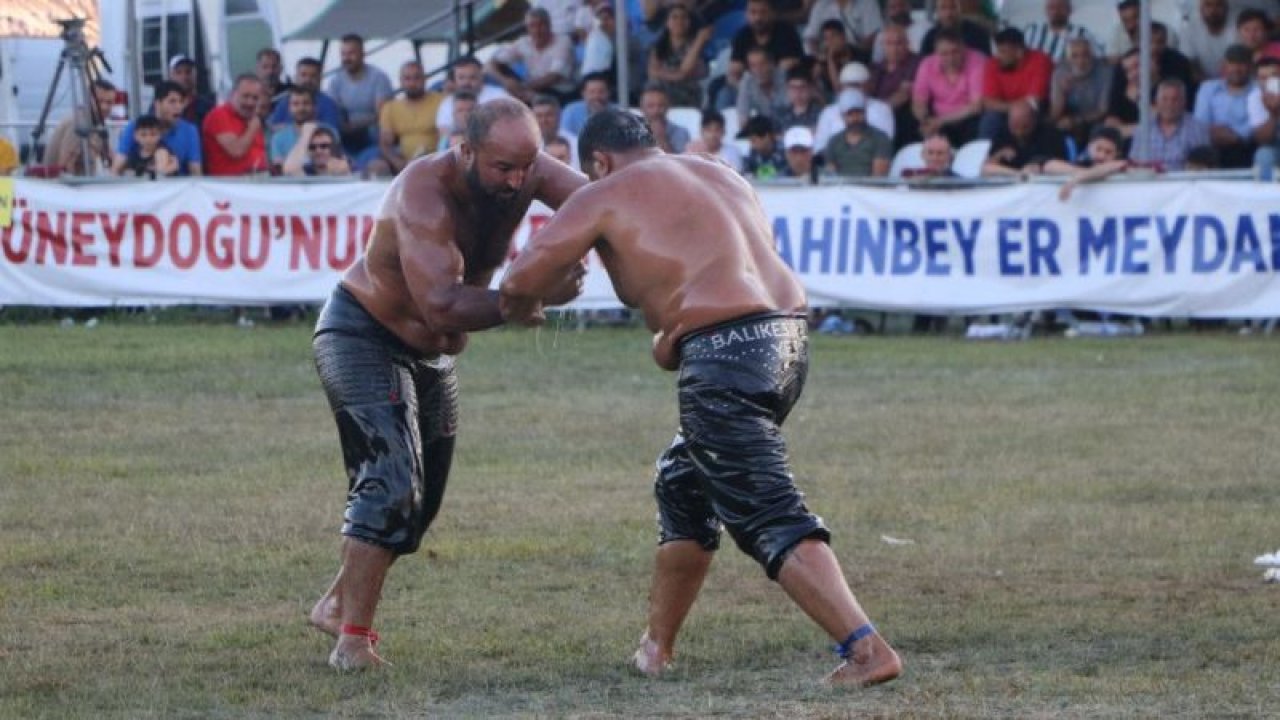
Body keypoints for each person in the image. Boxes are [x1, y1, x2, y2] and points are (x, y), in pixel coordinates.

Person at [498, 108, 904, 688]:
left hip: (725, 355)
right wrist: (677, 339)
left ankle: (866, 649)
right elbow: (718, 272)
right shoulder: (718, 172)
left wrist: (535, 302)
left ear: (600, 163)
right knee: (683, 482)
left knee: (764, 508)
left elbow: (519, 281)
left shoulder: (603, 193)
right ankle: (656, 649)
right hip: (787, 341)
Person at [308, 98, 586, 671]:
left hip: (433, 357)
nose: (516, 181)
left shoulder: (526, 168)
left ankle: (337, 601)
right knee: (389, 486)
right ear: (466, 151)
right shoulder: (423, 192)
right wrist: (527, 296)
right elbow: (439, 304)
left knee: (419, 506)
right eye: (502, 168)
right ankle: (353, 641)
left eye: (525, 168)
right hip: (364, 335)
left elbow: (602, 201)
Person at [912, 28, 986, 147]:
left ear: (963, 48)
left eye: (955, 52)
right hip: (937, 117)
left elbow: (976, 105)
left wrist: (940, 121)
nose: (950, 58)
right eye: (944, 54)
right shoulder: (927, 64)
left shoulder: (977, 61)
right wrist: (925, 120)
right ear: (936, 52)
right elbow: (919, 101)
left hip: (967, 117)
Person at [329, 34, 395, 168]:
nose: (347, 58)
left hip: (372, 132)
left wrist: (355, 125)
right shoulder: (336, 81)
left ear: (363, 54)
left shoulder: (378, 78)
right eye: (343, 54)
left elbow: (381, 114)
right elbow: (334, 111)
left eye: (351, 53)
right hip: (347, 133)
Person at [485, 8, 577, 104]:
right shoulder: (524, 42)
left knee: (523, 98)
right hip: (531, 88)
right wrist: (505, 81)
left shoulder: (563, 41)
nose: (537, 30)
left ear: (549, 25)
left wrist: (522, 88)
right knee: (499, 69)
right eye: (532, 26)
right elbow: (490, 64)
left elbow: (555, 76)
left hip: (561, 91)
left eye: (541, 25)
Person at [371, 61, 444, 177]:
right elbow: (385, 143)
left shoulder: (441, 101)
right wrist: (399, 163)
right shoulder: (391, 107)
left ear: (425, 79)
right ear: (401, 81)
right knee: (376, 166)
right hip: (403, 161)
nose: (412, 83)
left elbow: (447, 137)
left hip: (435, 159)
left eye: (417, 78)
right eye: (407, 79)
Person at [116, 80, 203, 176]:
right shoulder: (135, 127)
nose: (178, 107)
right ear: (157, 104)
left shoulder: (189, 131)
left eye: (181, 102)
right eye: (172, 101)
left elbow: (195, 172)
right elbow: (116, 168)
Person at [1193, 44, 1258, 168]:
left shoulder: (1257, 89)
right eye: (1232, 63)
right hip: (1211, 145)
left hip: (1246, 145)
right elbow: (1200, 122)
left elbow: (1256, 123)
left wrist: (1236, 137)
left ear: (1250, 66)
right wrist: (1214, 134)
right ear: (1224, 65)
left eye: (1242, 64)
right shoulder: (1208, 88)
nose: (1236, 69)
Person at [1132, 77, 1211, 170]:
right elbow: (1134, 163)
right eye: (1164, 99)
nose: (1169, 104)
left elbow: (1203, 167)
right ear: (1156, 101)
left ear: (1184, 102)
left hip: (1184, 182)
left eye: (1175, 99)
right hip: (1150, 182)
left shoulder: (1197, 128)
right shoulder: (1143, 128)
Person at [44, 78, 118, 176]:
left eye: (109, 102)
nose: (104, 107)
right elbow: (64, 166)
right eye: (99, 101)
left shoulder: (97, 124)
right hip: (64, 187)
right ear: (87, 99)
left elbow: (112, 158)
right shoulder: (78, 124)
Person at [1049, 36, 1112, 149]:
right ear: (1068, 59)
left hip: (1095, 121)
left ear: (1092, 56)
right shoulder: (1060, 73)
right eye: (1075, 56)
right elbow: (1055, 113)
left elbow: (1103, 110)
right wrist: (1063, 93)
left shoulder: (1105, 72)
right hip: (1068, 119)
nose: (1081, 61)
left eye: (1085, 55)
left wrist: (1077, 121)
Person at [202, 74, 268, 176]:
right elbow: (236, 151)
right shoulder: (219, 115)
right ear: (233, 94)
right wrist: (252, 128)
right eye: (245, 96)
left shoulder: (252, 118)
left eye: (255, 98)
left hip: (259, 181)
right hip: (231, 185)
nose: (250, 102)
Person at [823, 89, 893, 177]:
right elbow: (831, 174)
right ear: (842, 116)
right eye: (850, 114)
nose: (855, 118)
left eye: (859, 113)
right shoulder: (834, 141)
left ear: (865, 113)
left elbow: (879, 177)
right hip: (840, 189)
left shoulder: (880, 139)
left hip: (870, 189)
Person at [269, 87, 339, 170]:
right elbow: (280, 169)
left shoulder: (330, 132)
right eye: (295, 104)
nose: (301, 108)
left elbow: (336, 165)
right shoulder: (278, 138)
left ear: (315, 107)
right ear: (289, 109)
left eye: (306, 103)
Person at [270, 57, 344, 131]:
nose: (308, 80)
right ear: (296, 77)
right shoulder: (285, 101)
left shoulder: (329, 104)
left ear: (320, 78)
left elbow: (331, 132)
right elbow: (272, 127)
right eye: (303, 75)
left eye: (313, 76)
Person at [1021, 0, 1099, 64]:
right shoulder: (1031, 31)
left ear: (1070, 10)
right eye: (1051, 7)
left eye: (1061, 7)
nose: (1056, 11)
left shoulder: (1082, 34)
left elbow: (1099, 60)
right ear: (1046, 10)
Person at [111, 115, 178, 178]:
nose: (148, 139)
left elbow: (160, 174)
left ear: (160, 135)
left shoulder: (161, 152)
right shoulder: (133, 154)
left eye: (153, 134)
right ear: (136, 136)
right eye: (143, 135)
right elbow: (121, 172)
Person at [282, 124, 352, 177]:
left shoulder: (346, 166)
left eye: (324, 146)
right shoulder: (307, 170)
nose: (318, 151)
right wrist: (305, 135)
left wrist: (345, 173)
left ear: (334, 148)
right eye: (312, 147)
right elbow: (289, 170)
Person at [167, 54, 216, 126]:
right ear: (171, 76)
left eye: (188, 72)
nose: (184, 77)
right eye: (178, 72)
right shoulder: (162, 105)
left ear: (195, 75)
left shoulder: (207, 106)